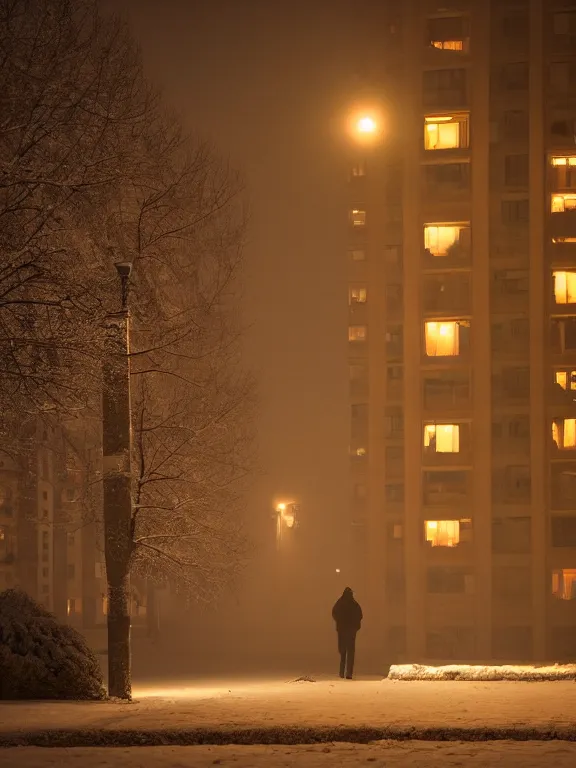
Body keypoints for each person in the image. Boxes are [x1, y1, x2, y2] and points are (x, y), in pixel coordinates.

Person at [331, 587, 363, 679]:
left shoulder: (340, 603)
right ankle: (349, 673)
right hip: (351, 631)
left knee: (343, 652)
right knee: (350, 652)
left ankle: (342, 672)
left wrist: (339, 622)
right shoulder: (354, 604)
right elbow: (360, 615)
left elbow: (334, 612)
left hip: (342, 630)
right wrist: (355, 626)